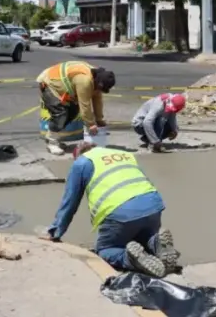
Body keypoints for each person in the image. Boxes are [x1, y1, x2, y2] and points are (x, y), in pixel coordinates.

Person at [42, 145, 181, 278]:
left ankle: (130, 260)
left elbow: (70, 201)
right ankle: (156, 243)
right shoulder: (125, 155)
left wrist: (55, 232)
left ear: (78, 155)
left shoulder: (82, 163)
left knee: (106, 250)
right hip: (152, 204)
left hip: (120, 211)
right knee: (142, 238)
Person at [37, 61, 116, 155]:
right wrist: (91, 124)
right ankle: (52, 142)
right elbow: (85, 105)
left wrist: (99, 119)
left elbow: (97, 101)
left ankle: (53, 138)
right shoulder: (85, 81)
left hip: (62, 84)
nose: (100, 91)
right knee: (60, 114)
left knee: (73, 111)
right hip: (49, 82)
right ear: (99, 84)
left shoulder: (98, 78)